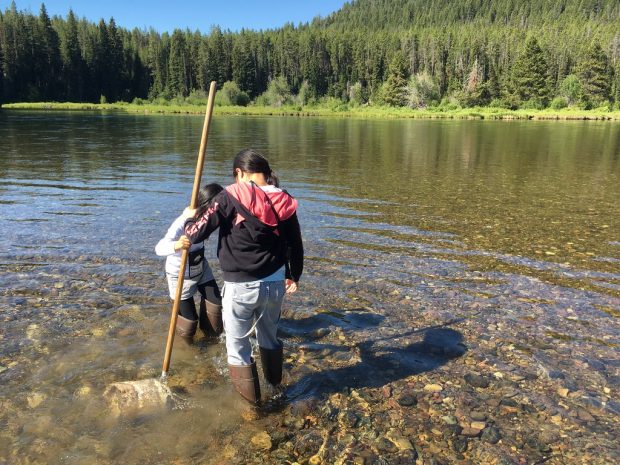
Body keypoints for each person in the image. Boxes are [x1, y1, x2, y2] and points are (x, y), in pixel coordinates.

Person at [182, 149, 303, 404]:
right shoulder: (285, 199)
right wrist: (294, 276)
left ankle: (253, 410)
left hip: (240, 287)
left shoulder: (229, 196)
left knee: (237, 349)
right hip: (274, 284)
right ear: (266, 173)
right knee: (269, 338)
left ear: (239, 173)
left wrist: (190, 218)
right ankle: (275, 390)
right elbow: (296, 244)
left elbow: (196, 233)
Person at [155, 183, 224, 340]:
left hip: (200, 267)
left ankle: (210, 339)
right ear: (209, 205)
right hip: (180, 274)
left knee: (216, 303)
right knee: (190, 321)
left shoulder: (210, 218)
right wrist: (176, 245)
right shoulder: (183, 221)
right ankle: (187, 349)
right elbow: (159, 248)